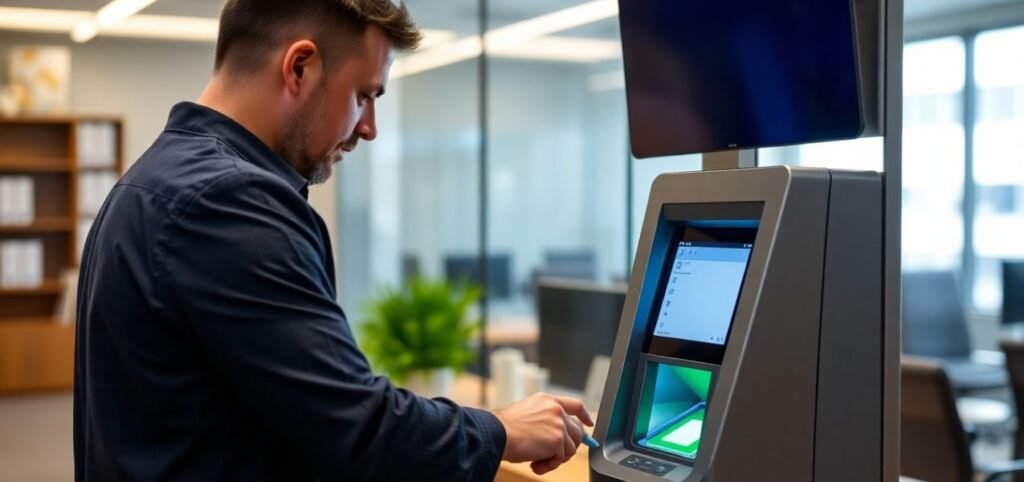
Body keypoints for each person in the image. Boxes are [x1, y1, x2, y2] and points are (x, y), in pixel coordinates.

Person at [73, 0, 594, 480]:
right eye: (363, 96)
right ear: (299, 67)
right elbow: (361, 432)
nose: (368, 128)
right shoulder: (230, 200)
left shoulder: (151, 180)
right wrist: (499, 429)